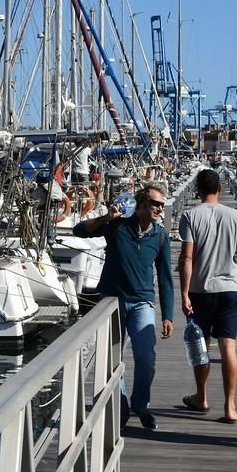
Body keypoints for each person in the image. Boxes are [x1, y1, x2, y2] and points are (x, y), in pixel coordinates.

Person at [73, 183, 174, 430]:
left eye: (162, 204)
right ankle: (120, 407)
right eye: (155, 203)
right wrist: (106, 218)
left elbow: (165, 277)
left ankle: (141, 405)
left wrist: (168, 315)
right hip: (111, 301)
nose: (160, 209)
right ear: (141, 205)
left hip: (142, 302)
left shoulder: (160, 236)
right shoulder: (117, 227)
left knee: (146, 357)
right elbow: (79, 231)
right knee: (112, 360)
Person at [178, 169, 237, 424]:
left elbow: (187, 257)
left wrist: (184, 293)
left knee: (201, 346)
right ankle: (230, 406)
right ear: (220, 189)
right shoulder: (236, 216)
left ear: (198, 190)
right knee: (228, 346)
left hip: (201, 289)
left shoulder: (190, 215)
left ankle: (201, 397)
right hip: (231, 288)